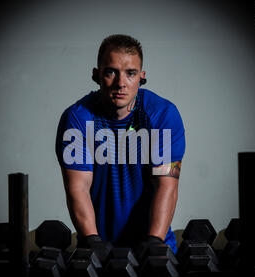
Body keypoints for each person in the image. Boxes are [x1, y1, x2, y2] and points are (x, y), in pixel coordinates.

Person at [55, 34, 186, 254]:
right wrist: (92, 240)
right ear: (96, 75)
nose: (120, 83)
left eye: (130, 73)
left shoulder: (162, 115)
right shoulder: (78, 119)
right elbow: (78, 188)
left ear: (141, 77)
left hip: (154, 246)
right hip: (97, 249)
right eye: (110, 72)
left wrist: (154, 241)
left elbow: (166, 184)